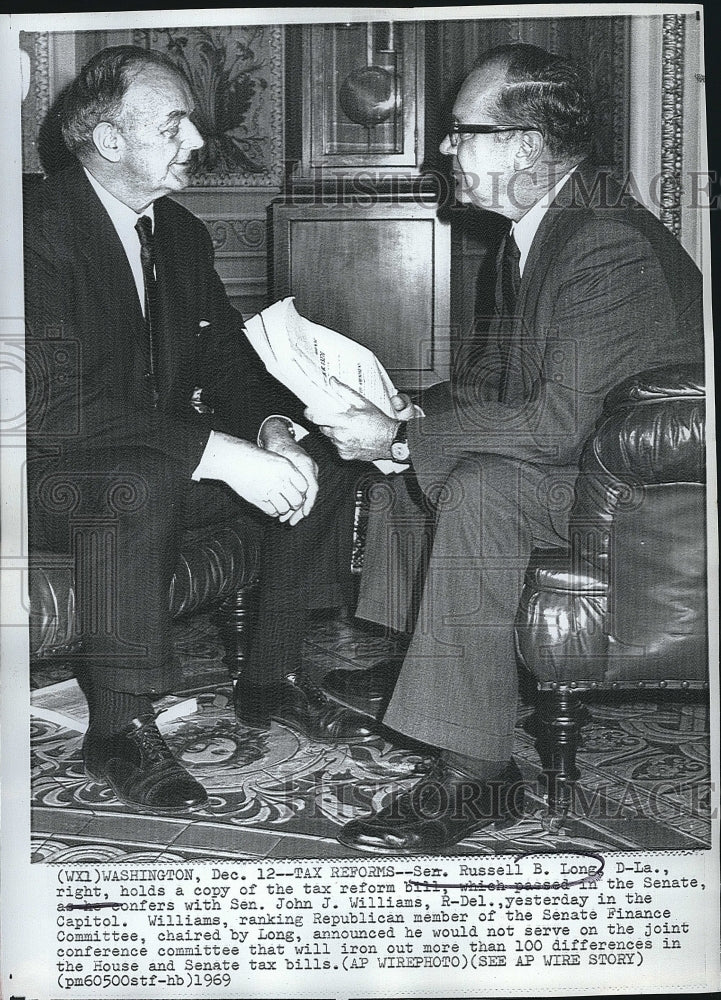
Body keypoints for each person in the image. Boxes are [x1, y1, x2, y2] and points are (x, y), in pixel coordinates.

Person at [307, 43, 705, 853]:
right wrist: (405, 413)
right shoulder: (530, 233)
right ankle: (430, 661)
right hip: (585, 459)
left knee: (477, 483)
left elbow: (555, 425)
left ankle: (477, 772)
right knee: (415, 456)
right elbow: (489, 383)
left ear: (524, 144)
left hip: (651, 499)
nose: (445, 149)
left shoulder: (603, 242)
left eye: (461, 131)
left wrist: (407, 435)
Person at [24, 45, 374, 817]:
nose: (196, 142)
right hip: (42, 475)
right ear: (109, 140)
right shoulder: (31, 228)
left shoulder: (178, 231)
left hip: (151, 461)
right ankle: (117, 726)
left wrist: (273, 427)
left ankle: (270, 677)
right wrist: (220, 454)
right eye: (175, 125)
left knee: (329, 449)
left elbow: (227, 364)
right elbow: (48, 406)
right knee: (138, 478)